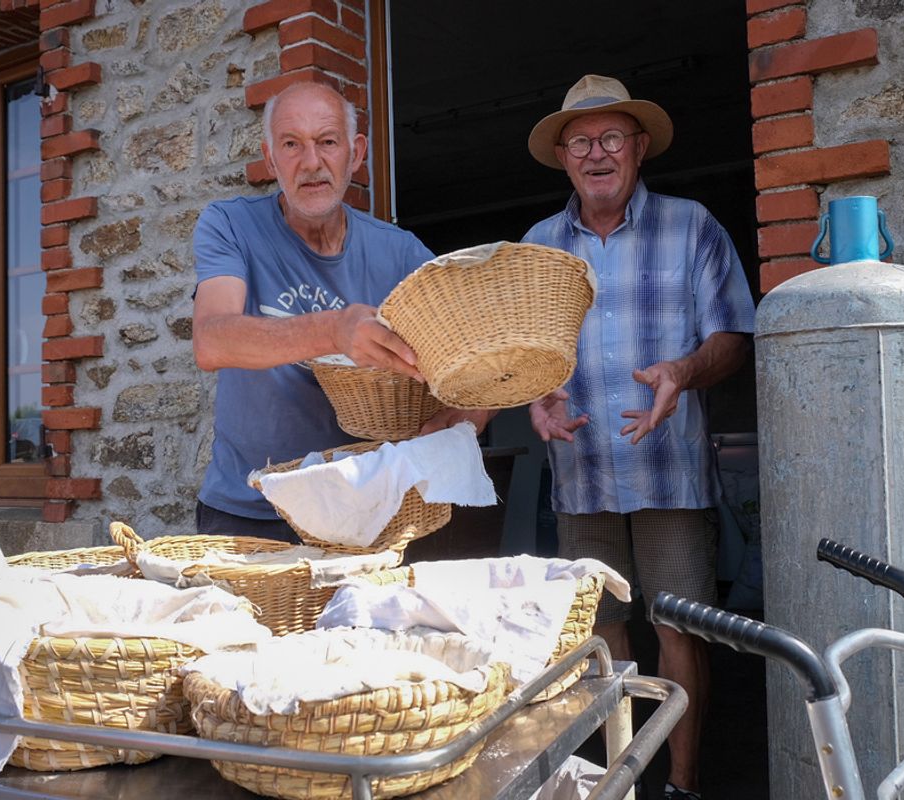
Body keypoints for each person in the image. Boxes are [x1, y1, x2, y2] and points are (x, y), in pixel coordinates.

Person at [522, 75, 756, 800]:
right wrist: (536, 394)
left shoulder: (691, 227)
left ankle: (682, 786)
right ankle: (624, 781)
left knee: (679, 630)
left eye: (612, 137)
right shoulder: (536, 248)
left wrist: (683, 372)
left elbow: (735, 337)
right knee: (604, 637)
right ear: (564, 156)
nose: (598, 153)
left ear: (639, 146)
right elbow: (522, 353)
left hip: (670, 471)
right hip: (582, 471)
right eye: (582, 141)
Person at [191, 81, 483, 541]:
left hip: (363, 514)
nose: (311, 163)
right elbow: (212, 340)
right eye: (291, 145)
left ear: (356, 152)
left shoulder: (400, 252)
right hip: (247, 509)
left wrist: (472, 415)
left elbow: (480, 346)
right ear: (270, 158)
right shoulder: (231, 224)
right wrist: (335, 330)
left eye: (327, 141)